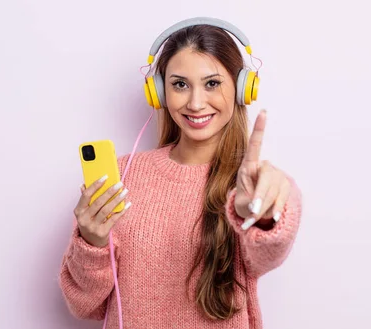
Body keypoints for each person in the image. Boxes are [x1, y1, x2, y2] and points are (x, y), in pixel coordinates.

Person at [59, 17, 303, 329]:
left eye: (212, 83)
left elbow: (270, 250)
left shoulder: (256, 185)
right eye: (180, 84)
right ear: (159, 92)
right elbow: (83, 305)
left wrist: (260, 216)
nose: (196, 102)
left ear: (242, 89)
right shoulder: (122, 174)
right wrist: (91, 242)